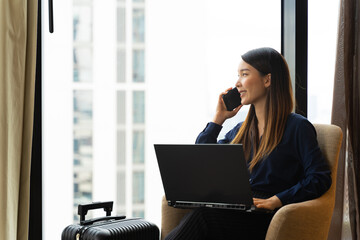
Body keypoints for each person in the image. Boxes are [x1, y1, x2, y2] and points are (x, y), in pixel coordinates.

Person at [165, 47, 332, 240]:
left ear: (267, 80)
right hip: (237, 210)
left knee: (203, 218)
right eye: (238, 75)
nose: (237, 83)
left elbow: (319, 177)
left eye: (244, 74)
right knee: (202, 213)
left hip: (267, 217)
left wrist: (277, 200)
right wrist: (218, 119)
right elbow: (203, 161)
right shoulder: (241, 130)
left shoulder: (297, 127)